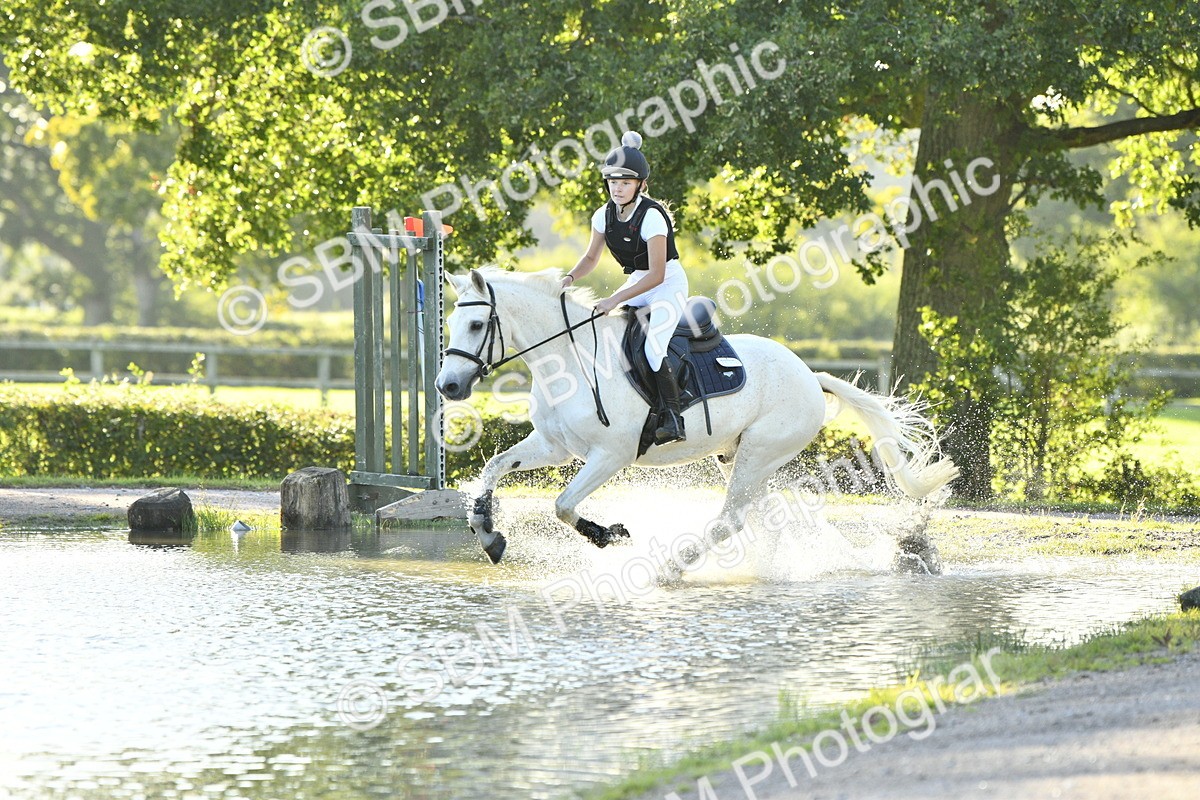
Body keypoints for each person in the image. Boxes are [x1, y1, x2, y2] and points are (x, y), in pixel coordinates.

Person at [560, 131, 689, 445]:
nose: (617, 188)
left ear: (641, 185)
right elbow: (591, 257)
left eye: (625, 183)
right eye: (612, 182)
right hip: (638, 281)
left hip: (667, 284)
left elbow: (657, 274)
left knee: (653, 349)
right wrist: (568, 279)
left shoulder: (653, 218)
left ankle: (673, 419)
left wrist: (614, 299)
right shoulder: (603, 216)